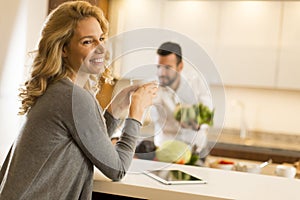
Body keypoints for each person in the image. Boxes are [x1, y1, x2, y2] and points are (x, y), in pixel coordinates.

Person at [0, 1, 157, 199]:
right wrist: (136, 114)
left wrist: (114, 110)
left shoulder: (59, 89)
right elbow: (117, 169)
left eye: (101, 38)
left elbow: (89, 142)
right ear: (63, 48)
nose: (100, 48)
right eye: (87, 42)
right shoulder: (73, 98)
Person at [151, 42, 212, 163]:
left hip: (195, 152)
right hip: (164, 153)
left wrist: (197, 123)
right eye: (159, 67)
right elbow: (135, 114)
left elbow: (207, 114)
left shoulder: (196, 83)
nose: (162, 73)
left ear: (180, 67)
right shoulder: (153, 87)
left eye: (167, 68)